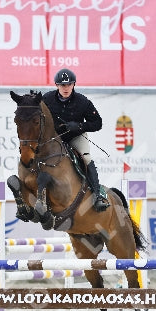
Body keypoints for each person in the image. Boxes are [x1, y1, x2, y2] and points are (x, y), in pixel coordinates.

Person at [42, 68, 110, 212]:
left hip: (75, 137)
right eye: (62, 85)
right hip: (54, 138)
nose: (66, 88)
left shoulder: (82, 101)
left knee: (86, 158)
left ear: (74, 84)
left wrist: (79, 126)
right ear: (57, 85)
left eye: (69, 84)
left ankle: (97, 196)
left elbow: (97, 123)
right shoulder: (46, 99)